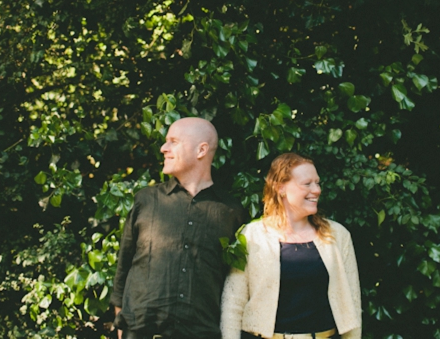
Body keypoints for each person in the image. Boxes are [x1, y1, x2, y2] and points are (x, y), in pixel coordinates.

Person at [112, 117, 246, 339]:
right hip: (140, 332)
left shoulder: (231, 212)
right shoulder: (146, 200)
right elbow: (124, 265)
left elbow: (235, 285)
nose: (164, 148)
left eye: (173, 141)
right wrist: (121, 324)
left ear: (201, 150)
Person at [221, 152, 361, 339]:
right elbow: (233, 302)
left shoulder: (337, 235)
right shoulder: (253, 235)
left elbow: (352, 302)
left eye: (317, 183)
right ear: (281, 188)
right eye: (307, 184)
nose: (317, 190)